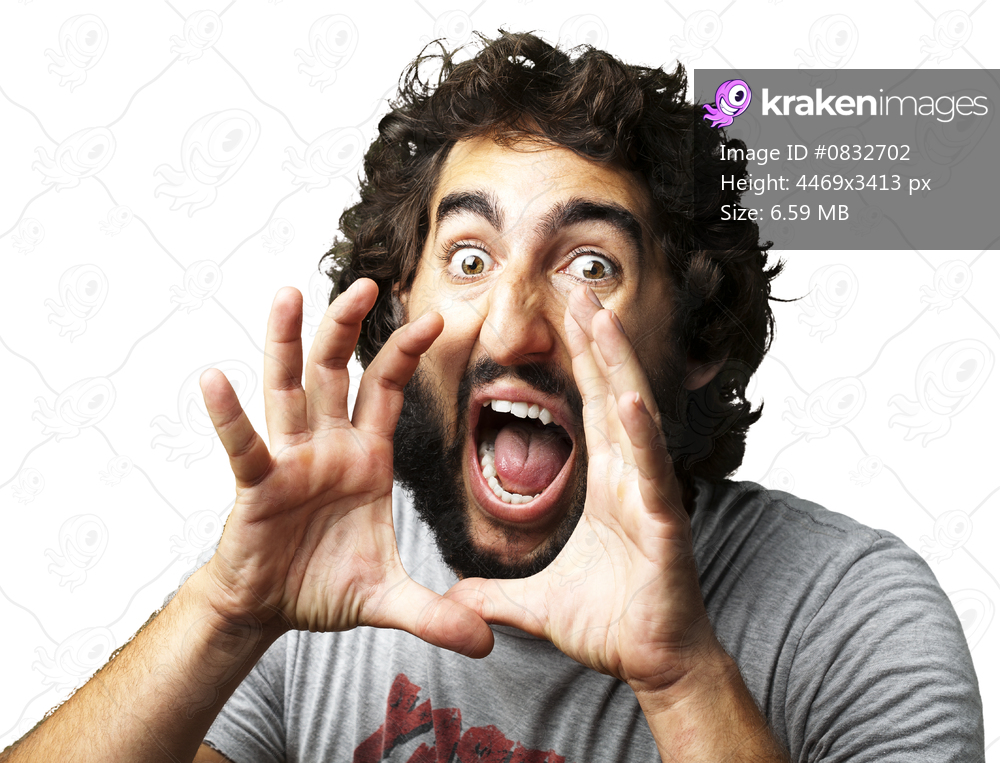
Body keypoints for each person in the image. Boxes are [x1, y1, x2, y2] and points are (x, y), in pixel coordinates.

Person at [1, 31, 983, 763]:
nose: (511, 327)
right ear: (400, 313)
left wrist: (681, 678)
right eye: (468, 256)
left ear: (695, 337)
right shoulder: (321, 581)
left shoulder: (851, 613)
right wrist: (228, 609)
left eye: (589, 265)